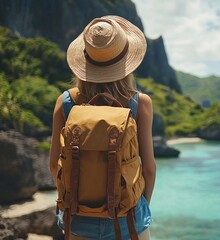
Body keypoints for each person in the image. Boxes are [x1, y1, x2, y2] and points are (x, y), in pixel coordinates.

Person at [49, 15, 156, 240]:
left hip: (77, 222)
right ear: (126, 63)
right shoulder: (140, 103)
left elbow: (53, 165)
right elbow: (149, 169)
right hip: (128, 222)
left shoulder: (66, 102)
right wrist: (135, 207)